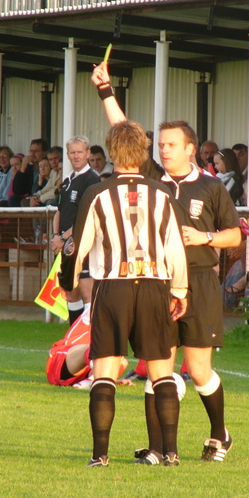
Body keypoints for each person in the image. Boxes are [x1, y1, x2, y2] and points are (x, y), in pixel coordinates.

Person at [91, 61, 242, 463]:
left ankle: (219, 435)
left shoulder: (211, 187)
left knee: (197, 368)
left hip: (199, 281)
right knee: (157, 364)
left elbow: (235, 235)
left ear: (191, 148)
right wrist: (106, 91)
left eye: (171, 144)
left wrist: (204, 237)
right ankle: (158, 448)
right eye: (159, 145)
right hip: (158, 283)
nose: (163, 149)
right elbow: (124, 131)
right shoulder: (153, 179)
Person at [59, 119, 189, 467]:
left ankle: (99, 455)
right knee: (161, 373)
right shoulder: (162, 193)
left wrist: (68, 281)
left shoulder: (97, 193)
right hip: (155, 286)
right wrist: (180, 290)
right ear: (144, 151)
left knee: (104, 372)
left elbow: (77, 246)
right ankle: (171, 453)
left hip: (112, 287)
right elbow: (176, 248)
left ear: (112, 152)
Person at [51, 136, 101, 324]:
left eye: (80, 152)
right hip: (67, 246)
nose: (76, 156)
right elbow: (59, 211)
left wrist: (63, 238)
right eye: (72, 152)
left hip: (84, 245)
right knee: (71, 292)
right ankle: (73, 335)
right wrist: (56, 236)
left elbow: (86, 217)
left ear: (88, 153)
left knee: (87, 291)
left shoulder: (92, 180)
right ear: (68, 155)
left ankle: (89, 337)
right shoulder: (67, 181)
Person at [46, 307, 130, 389]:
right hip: (61, 361)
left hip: (84, 372)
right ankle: (99, 378)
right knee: (97, 347)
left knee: (122, 360)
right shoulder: (97, 308)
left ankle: (93, 380)